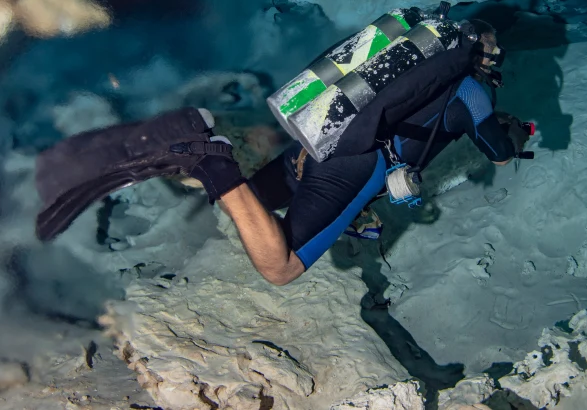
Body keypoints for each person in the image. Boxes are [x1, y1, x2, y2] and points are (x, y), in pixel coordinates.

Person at [33, 18, 532, 286]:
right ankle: (209, 160)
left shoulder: (417, 67)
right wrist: (513, 133)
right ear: (489, 59)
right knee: (281, 268)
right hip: (354, 163)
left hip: (322, 136)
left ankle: (187, 150)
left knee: (252, 205)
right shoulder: (472, 92)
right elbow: (499, 154)